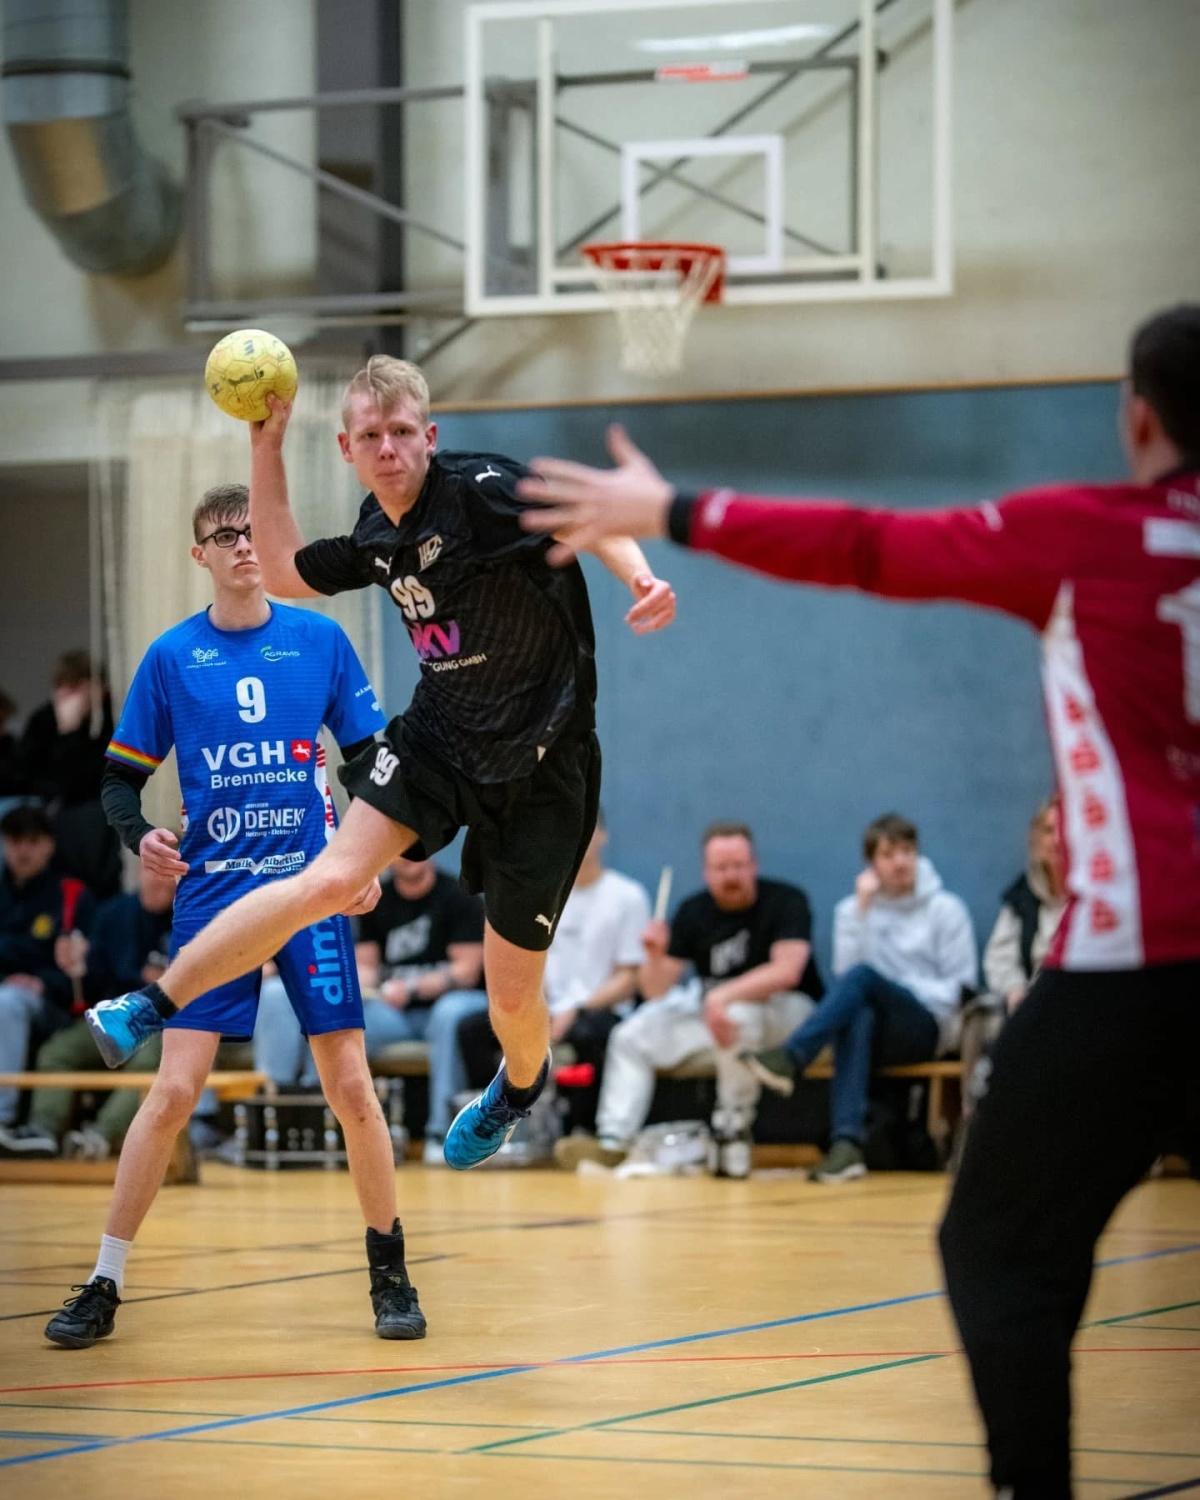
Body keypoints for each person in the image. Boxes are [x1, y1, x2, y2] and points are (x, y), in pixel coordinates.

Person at [517, 304, 1200, 1497]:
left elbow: (874, 546)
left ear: (1135, 414)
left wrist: (677, 511)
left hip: (1134, 973)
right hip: (1124, 977)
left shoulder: (1088, 535)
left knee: (999, 1251)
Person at [84, 356, 676, 1178]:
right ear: (349, 448)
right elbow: (288, 567)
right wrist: (267, 444)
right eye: (372, 435)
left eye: (402, 432)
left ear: (428, 437)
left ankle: (518, 1088)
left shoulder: (480, 492)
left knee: (511, 995)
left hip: (545, 766)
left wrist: (642, 578)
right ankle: (151, 1005)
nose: (389, 447)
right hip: (439, 739)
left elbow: (585, 515)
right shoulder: (375, 532)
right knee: (327, 880)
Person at [43, 483, 429, 1350]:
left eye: (253, 531)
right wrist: (141, 836)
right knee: (174, 1090)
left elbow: (374, 761)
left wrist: (368, 861)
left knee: (353, 1090)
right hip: (215, 897)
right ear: (201, 556)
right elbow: (116, 778)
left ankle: (389, 1269)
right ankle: (105, 1280)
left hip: (312, 890)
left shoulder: (321, 639)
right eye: (225, 535)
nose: (244, 545)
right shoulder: (173, 658)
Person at [555, 822, 821, 1178]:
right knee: (632, 1036)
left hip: (790, 1016)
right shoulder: (694, 910)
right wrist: (653, 954)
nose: (731, 876)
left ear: (754, 865)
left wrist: (721, 998)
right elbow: (654, 992)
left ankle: (732, 1128)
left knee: (736, 1012)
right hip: (720, 1017)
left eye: (738, 866)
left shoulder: (786, 901)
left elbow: (787, 971)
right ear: (706, 871)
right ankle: (614, 1140)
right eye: (721, 868)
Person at [742, 812, 977, 1183]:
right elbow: (845, 981)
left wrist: (897, 987)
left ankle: (792, 1056)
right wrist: (863, 915)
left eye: (907, 851)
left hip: (928, 1028)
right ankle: (846, 1145)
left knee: (866, 982)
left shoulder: (945, 910)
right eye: (888, 854)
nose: (900, 861)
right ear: (871, 864)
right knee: (859, 1012)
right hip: (875, 1026)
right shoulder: (851, 911)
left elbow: (959, 989)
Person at [458, 809, 650, 1138]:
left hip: (597, 1010)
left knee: (592, 1035)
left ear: (602, 837)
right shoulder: (542, 894)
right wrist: (538, 1008)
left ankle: (582, 1130)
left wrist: (577, 1009)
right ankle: (493, 1122)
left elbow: (628, 978)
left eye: (588, 832)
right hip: (545, 1006)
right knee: (474, 1029)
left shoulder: (627, 897)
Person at [3, 860, 174, 1160]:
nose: (160, 880)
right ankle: (42, 1131)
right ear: (140, 872)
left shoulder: (189, 916)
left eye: (169, 873)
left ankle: (100, 1135)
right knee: (57, 1053)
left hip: (163, 1022)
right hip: (111, 1014)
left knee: (148, 1060)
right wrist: (76, 967)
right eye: (153, 870)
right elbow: (93, 979)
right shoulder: (113, 914)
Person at [358, 854, 487, 1160]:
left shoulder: (459, 895)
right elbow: (366, 965)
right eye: (399, 850)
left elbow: (466, 971)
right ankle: (349, 1130)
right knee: (344, 1018)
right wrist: (370, 988)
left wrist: (413, 987)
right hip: (396, 1013)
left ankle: (441, 1130)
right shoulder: (374, 897)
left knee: (448, 1014)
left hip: (455, 1002)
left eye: (415, 849)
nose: (408, 858)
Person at [0, 804, 94, 1152]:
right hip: (8, 987)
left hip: (52, 1005)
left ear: (48, 845)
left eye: (32, 841)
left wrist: (42, 980)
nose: (22, 850)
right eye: (14, 841)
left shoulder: (71, 895)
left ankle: (3, 1118)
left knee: (7, 1003)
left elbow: (85, 969)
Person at [19, 650, 120, 897]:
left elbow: (96, 777)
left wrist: (72, 734)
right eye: (60, 687)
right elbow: (32, 775)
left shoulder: (110, 718)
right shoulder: (43, 720)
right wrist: (66, 732)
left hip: (93, 810)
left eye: (74, 687)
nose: (65, 696)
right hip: (53, 809)